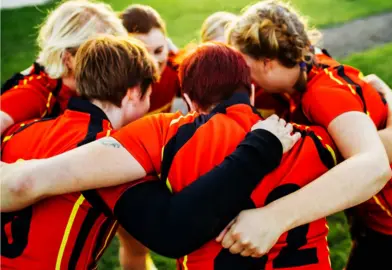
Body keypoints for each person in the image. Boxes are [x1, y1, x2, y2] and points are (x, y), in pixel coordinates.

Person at [0, 36, 296, 269]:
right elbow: (171, 229)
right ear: (133, 93)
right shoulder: (105, 154)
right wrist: (259, 150)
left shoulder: (18, 131)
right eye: (150, 94)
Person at [226, 1, 392, 269]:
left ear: (268, 62)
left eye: (247, 68)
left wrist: (273, 218)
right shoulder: (303, 66)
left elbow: (374, 167)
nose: (248, 80)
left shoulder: (322, 94)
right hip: (365, 207)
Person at [0, 0, 127, 134]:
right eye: (100, 56)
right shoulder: (34, 93)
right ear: (67, 59)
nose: (112, 62)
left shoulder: (93, 84)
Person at [120, 4, 188, 115]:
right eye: (142, 53)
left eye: (158, 51)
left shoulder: (175, 69)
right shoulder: (110, 81)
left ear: (167, 45)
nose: (153, 62)